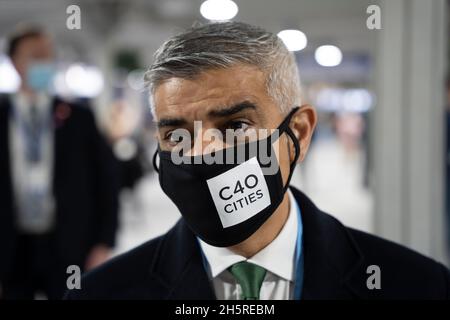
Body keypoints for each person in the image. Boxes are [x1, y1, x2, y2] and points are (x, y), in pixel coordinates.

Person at [66, 22, 449, 300]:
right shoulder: (101, 293)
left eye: (236, 125)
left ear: (298, 131)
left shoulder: (418, 286)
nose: (203, 151)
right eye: (175, 134)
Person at [0, 27, 119, 299]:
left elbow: (106, 181)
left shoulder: (78, 118)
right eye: (36, 55)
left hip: (68, 243)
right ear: (15, 63)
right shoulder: (3, 115)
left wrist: (104, 242)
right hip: (10, 246)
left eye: (49, 55)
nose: (45, 62)